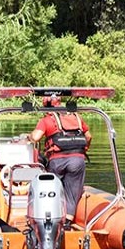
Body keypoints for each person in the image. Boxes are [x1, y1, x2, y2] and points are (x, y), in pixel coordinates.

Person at [29, 95, 92, 229]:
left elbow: (35, 137)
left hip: (56, 161)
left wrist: (28, 136)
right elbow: (88, 136)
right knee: (72, 192)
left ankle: (51, 217)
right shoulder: (77, 118)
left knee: (53, 189)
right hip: (77, 160)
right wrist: (85, 149)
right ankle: (68, 221)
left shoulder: (47, 120)